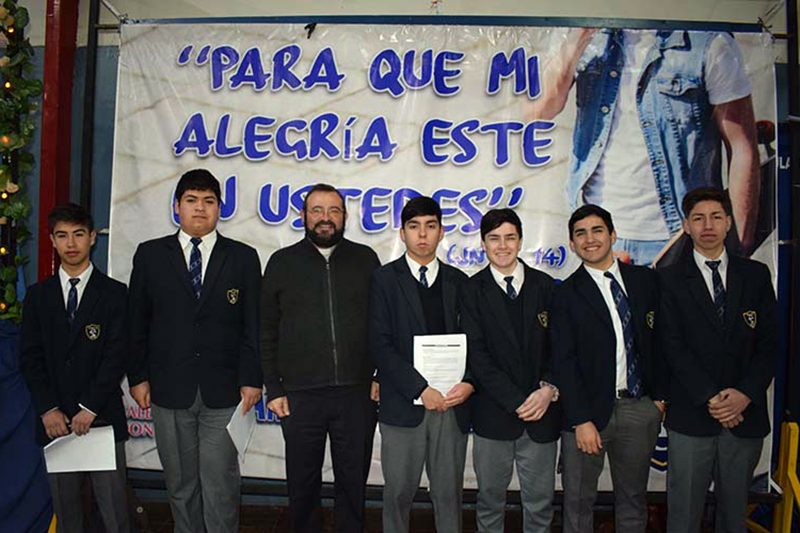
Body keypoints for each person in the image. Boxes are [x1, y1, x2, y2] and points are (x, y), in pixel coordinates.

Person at [530, 28, 760, 264]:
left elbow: (742, 146)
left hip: (679, 238)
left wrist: (739, 248)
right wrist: (577, 37)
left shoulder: (708, 42)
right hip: (598, 235)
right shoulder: (588, 37)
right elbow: (542, 109)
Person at [127, 169, 263, 533]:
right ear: (176, 207)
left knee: (221, 485)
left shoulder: (243, 257)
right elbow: (136, 322)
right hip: (168, 389)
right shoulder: (151, 255)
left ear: (220, 208)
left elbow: (254, 325)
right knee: (181, 485)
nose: (200, 209)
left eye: (208, 201)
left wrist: (252, 379)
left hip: (225, 391)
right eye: (191, 200)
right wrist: (137, 376)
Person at [260, 183, 380, 532]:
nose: (325, 218)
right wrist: (274, 388)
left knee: (353, 482)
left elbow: (382, 325)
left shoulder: (365, 260)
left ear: (344, 217)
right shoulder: (281, 263)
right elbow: (266, 330)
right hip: (299, 395)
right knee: (302, 484)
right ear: (303, 216)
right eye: (317, 210)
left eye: (334, 211)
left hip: (356, 394)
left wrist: (380, 375)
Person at [658, 187, 776, 533]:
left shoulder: (754, 275)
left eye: (715, 217)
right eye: (698, 218)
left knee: (734, 515)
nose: (707, 225)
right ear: (686, 226)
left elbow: (769, 344)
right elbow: (671, 346)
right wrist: (711, 396)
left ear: (728, 223)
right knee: (683, 516)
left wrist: (744, 395)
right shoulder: (667, 280)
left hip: (745, 416)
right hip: (692, 414)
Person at [551, 204, 667, 533]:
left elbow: (663, 341)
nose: (590, 239)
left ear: (613, 235)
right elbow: (564, 362)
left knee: (632, 500)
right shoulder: (565, 295)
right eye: (580, 234)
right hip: (587, 416)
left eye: (597, 230)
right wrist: (580, 420)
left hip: (639, 410)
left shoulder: (646, 282)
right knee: (578, 502)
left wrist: (658, 400)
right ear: (572, 244)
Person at [20, 203, 130, 533]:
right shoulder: (38, 297)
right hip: (56, 424)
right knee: (67, 517)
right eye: (62, 236)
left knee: (115, 515)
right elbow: (30, 358)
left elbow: (117, 356)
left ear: (93, 238)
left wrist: (90, 407)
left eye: (78, 235)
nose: (71, 244)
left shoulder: (114, 294)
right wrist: (48, 408)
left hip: (101, 418)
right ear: (52, 240)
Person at [369, 196, 473, 533]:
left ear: (442, 232)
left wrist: (469, 382)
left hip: (451, 406)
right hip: (403, 405)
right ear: (402, 233)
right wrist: (420, 388)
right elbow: (379, 344)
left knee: (448, 496)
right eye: (414, 227)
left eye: (430, 226)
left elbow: (477, 344)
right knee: (398, 494)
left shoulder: (460, 282)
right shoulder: (383, 280)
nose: (423, 235)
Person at [460, 208, 561, 532]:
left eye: (509, 238)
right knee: (490, 503)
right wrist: (517, 400)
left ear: (520, 241)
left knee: (541, 504)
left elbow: (561, 350)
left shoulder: (546, 286)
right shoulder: (471, 291)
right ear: (483, 243)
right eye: (494, 239)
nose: (502, 246)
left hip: (542, 415)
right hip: (493, 416)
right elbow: (477, 355)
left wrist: (548, 390)